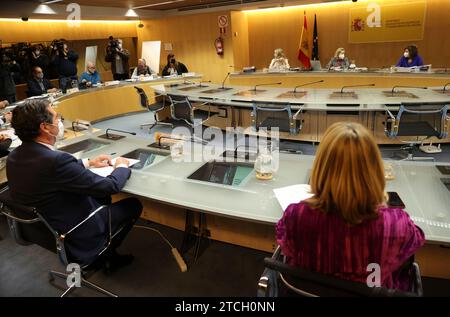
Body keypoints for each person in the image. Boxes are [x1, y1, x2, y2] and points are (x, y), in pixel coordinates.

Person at [276, 122, 425, 292]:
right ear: (374, 170)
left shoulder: (296, 215)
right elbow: (415, 240)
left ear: (321, 168)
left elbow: (287, 246)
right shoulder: (396, 223)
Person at [7, 99, 143, 269]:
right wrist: (121, 165)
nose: (60, 122)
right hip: (73, 231)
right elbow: (111, 186)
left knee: (101, 197)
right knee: (133, 204)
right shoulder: (55, 161)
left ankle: (106, 250)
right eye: (57, 118)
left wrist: (89, 163)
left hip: (46, 230)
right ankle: (103, 255)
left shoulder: (15, 156)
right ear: (45, 127)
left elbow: (50, 173)